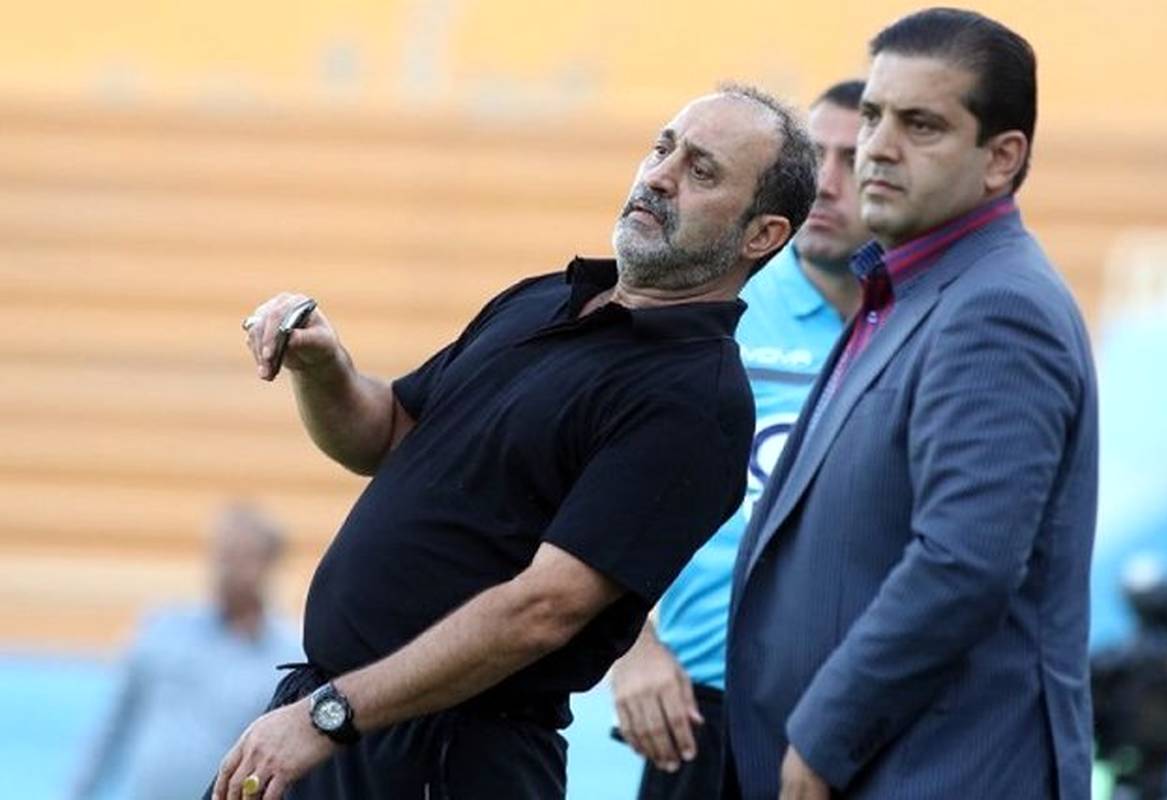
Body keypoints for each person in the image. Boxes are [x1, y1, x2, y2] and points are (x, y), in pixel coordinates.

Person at [209, 84, 818, 800]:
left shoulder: (694, 399)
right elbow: (388, 436)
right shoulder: (543, 298)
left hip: (446, 754)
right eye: (663, 147)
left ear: (761, 235)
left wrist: (331, 716)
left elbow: (545, 609)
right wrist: (323, 368)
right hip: (331, 718)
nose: (659, 176)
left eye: (702, 171)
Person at [724, 8, 1099, 800]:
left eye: (920, 125)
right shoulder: (907, 285)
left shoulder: (998, 308)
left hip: (936, 771)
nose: (878, 148)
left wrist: (823, 740)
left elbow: (963, 563)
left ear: (1002, 158)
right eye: (872, 116)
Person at [608, 79, 869, 800]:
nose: (828, 185)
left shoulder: (922, 326)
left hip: (859, 717)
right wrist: (632, 648)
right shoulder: (719, 301)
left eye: (854, 161)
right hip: (703, 712)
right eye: (816, 160)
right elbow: (573, 485)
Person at [70, 504, 299, 800]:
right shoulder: (164, 630)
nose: (228, 569)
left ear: (270, 563)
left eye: (243, 556)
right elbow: (114, 725)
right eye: (223, 555)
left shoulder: (286, 656)